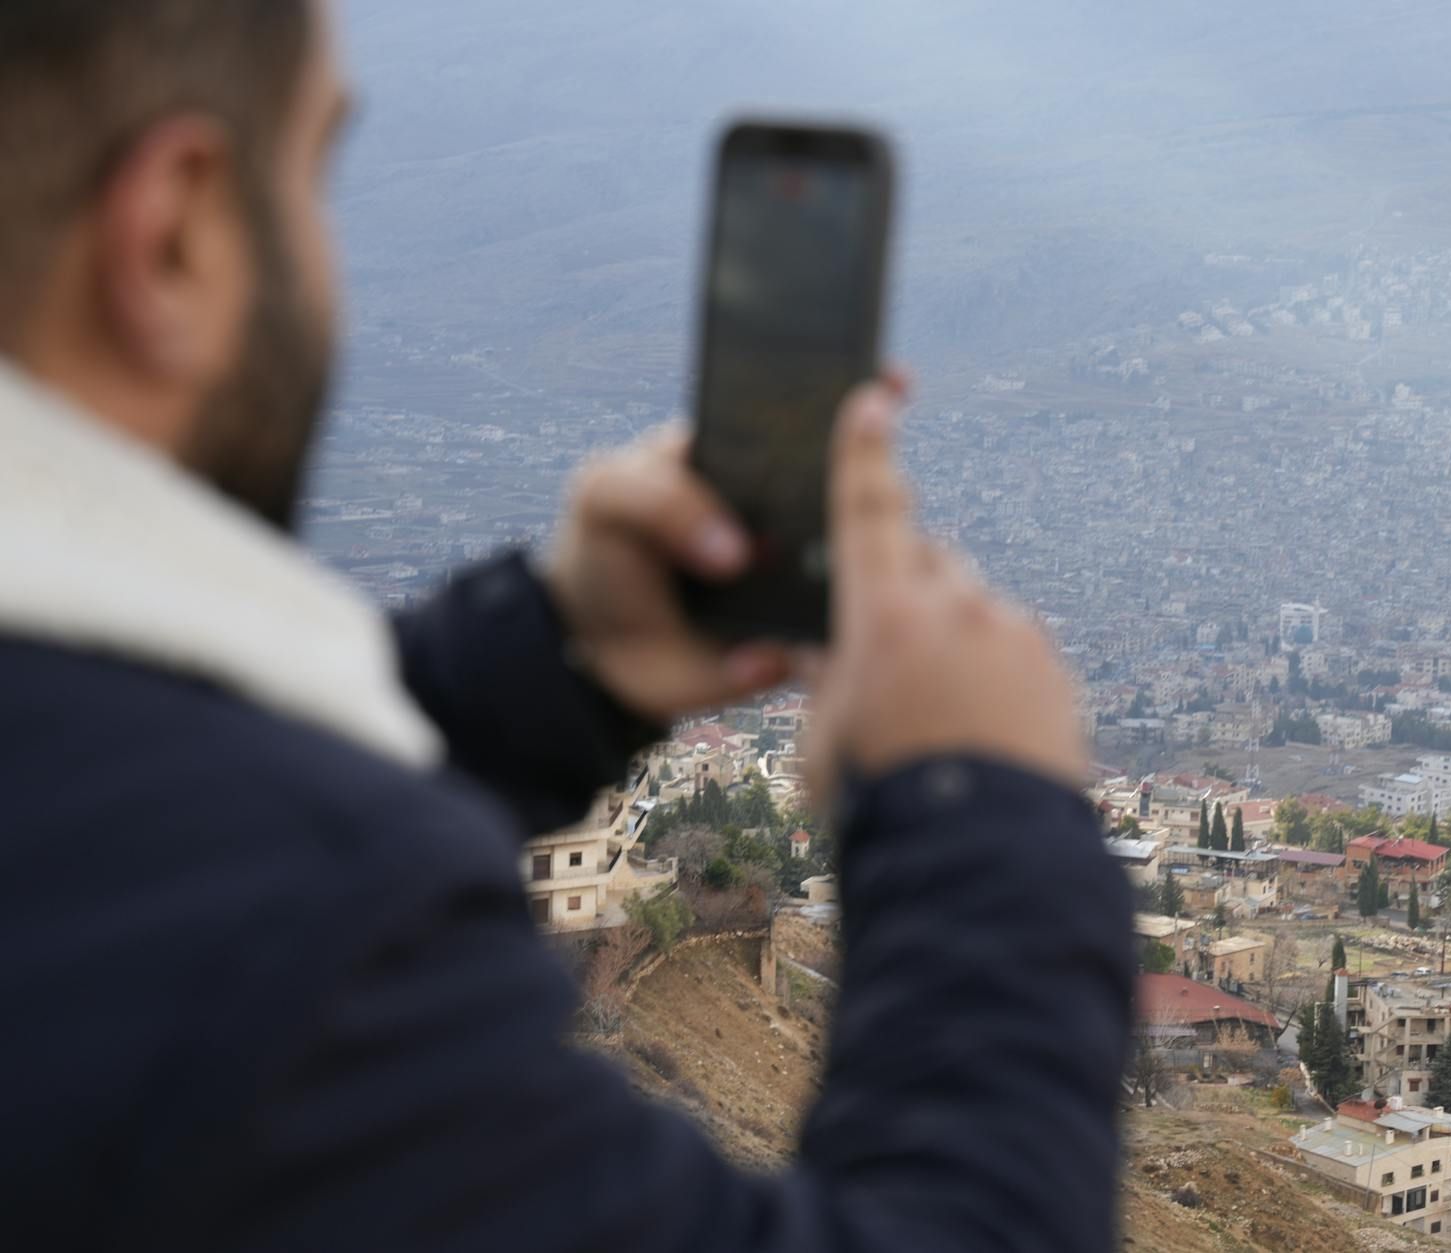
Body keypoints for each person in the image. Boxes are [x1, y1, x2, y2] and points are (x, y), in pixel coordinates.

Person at [0, 2, 1133, 1249]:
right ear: (172, 236)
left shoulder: (131, 873)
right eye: (312, 173)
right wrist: (981, 812)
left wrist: (541, 667)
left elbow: (132, 848)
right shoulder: (298, 963)